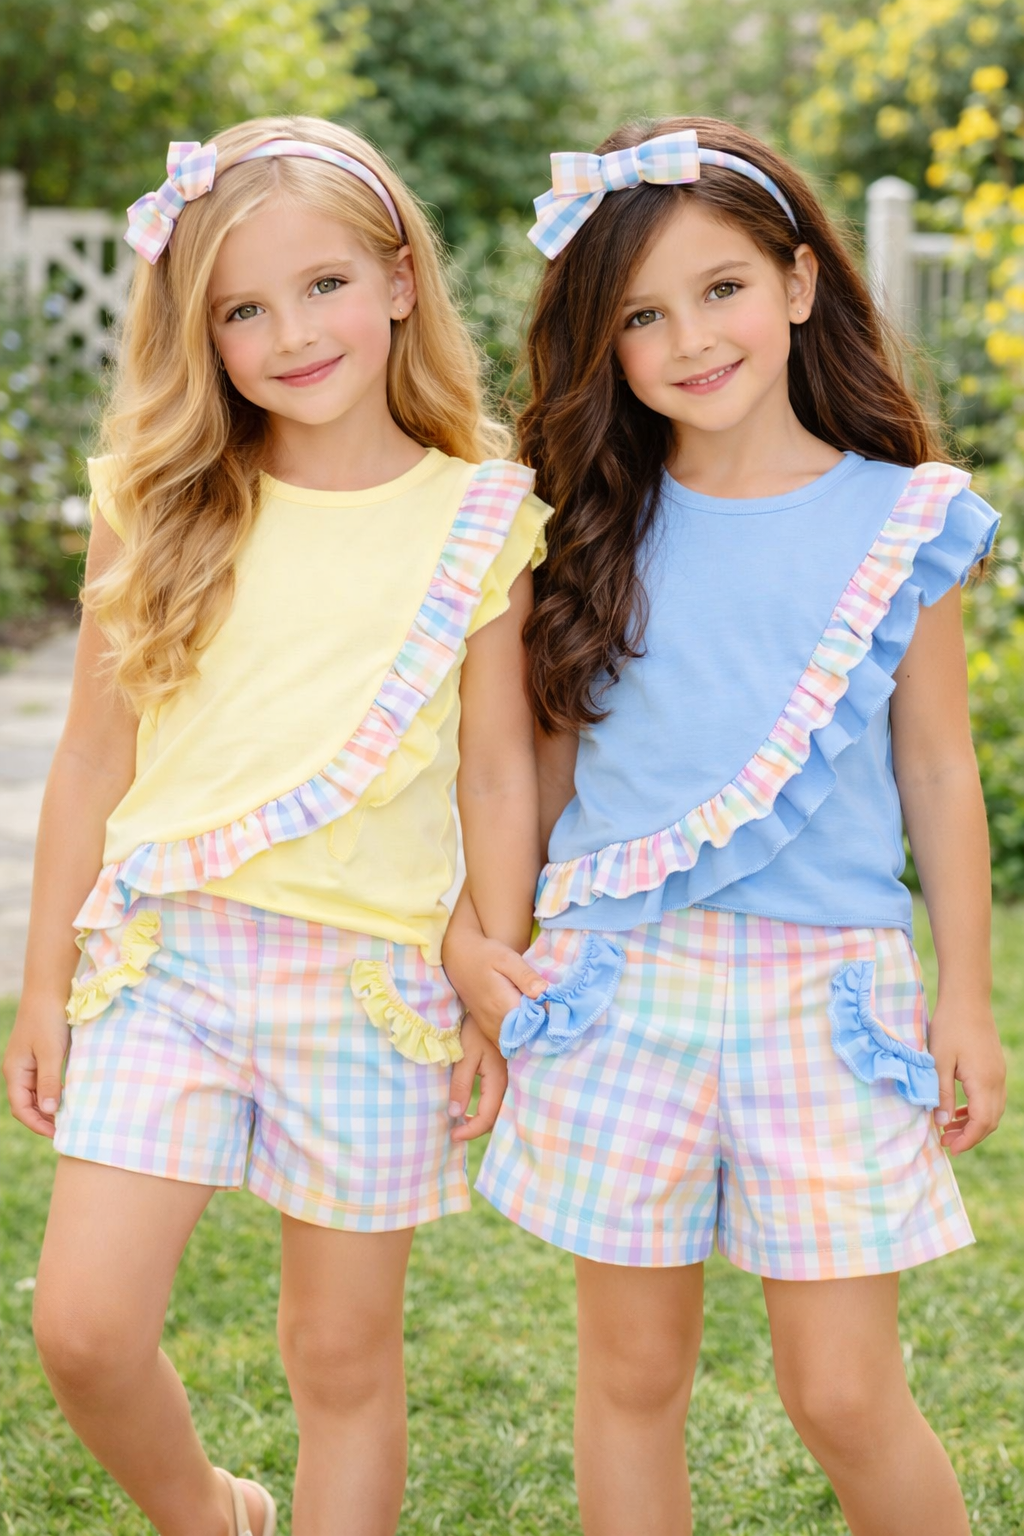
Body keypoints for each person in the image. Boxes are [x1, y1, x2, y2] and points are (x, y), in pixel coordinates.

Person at [443, 116, 1007, 1536]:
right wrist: (478, 942)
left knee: (844, 1393)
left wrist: (967, 996)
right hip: (621, 985)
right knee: (632, 1374)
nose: (691, 337)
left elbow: (940, 771)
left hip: (829, 996)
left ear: (800, 283)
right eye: (642, 315)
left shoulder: (902, 521)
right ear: (605, 344)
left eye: (723, 288)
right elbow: (542, 774)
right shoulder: (583, 526)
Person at [2, 116, 547, 1536]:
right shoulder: (159, 499)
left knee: (341, 1359)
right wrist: (45, 982)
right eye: (242, 309)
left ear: (399, 281)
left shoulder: (480, 516)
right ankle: (217, 1516)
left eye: (324, 285)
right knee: (84, 1328)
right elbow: (93, 755)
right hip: (167, 962)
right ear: (200, 333)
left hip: (369, 984)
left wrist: (492, 977)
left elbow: (499, 776)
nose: (291, 333)